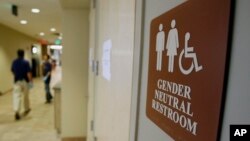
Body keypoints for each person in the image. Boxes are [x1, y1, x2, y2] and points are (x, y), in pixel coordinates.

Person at [11, 49, 32, 120]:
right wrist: (30, 81)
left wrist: (16, 75)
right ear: (23, 54)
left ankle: (17, 111)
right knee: (26, 95)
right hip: (25, 81)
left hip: (16, 81)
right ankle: (26, 108)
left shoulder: (14, 62)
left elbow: (12, 70)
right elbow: (28, 73)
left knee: (17, 96)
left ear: (17, 54)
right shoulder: (26, 62)